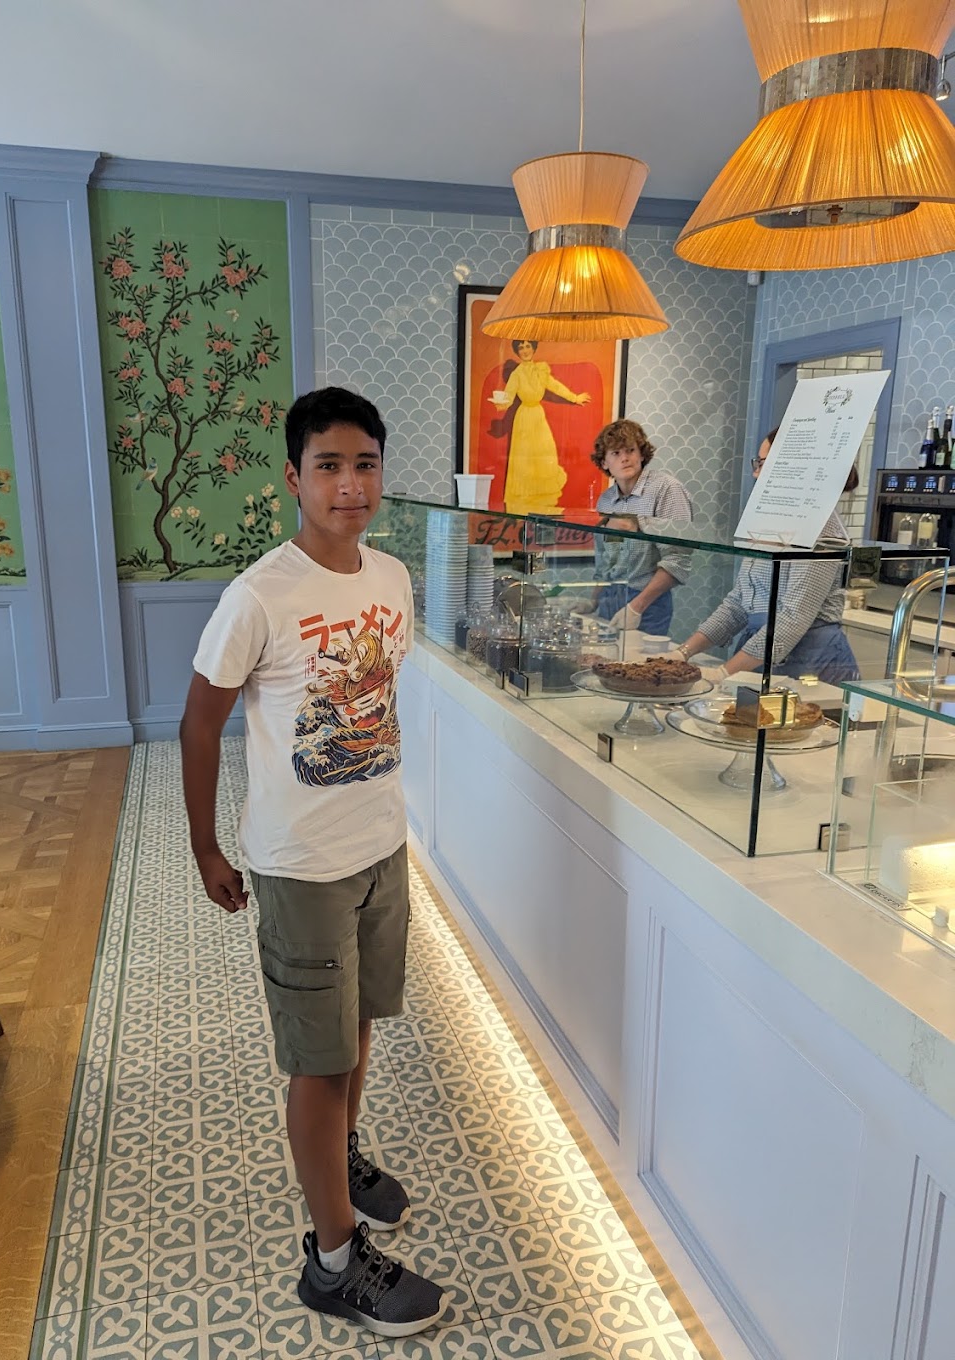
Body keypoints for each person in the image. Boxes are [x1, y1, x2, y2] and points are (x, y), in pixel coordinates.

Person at [180, 387, 447, 1339]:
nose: (350, 485)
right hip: (301, 866)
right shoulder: (259, 595)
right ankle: (334, 1262)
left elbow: (378, 700)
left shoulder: (393, 577)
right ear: (294, 478)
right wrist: (206, 845)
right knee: (319, 1063)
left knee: (359, 1030)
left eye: (365, 464)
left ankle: (341, 1156)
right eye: (328, 466)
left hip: (379, 846)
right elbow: (198, 724)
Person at [671, 429, 860, 684]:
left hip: (812, 662)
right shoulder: (765, 522)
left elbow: (793, 619)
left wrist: (723, 672)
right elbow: (738, 604)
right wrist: (683, 653)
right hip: (759, 654)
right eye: (757, 463)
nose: (755, 473)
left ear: (794, 467)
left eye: (763, 463)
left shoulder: (821, 527)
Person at [587, 418, 694, 635]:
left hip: (648, 600)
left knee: (639, 658)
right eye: (616, 453)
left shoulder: (667, 489)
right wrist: (593, 601)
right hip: (610, 596)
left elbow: (678, 560)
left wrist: (637, 607)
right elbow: (607, 559)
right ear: (604, 462)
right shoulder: (606, 501)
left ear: (642, 454)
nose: (625, 458)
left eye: (630, 450)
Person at [494, 339, 591, 515]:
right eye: (521, 347)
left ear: (533, 348)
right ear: (517, 352)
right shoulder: (517, 374)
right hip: (524, 418)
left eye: (527, 346)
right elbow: (508, 397)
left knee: (546, 452)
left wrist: (575, 398)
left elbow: (555, 386)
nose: (525, 350)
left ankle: (543, 500)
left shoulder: (541, 370)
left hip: (538, 416)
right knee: (525, 458)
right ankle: (525, 503)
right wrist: (500, 404)